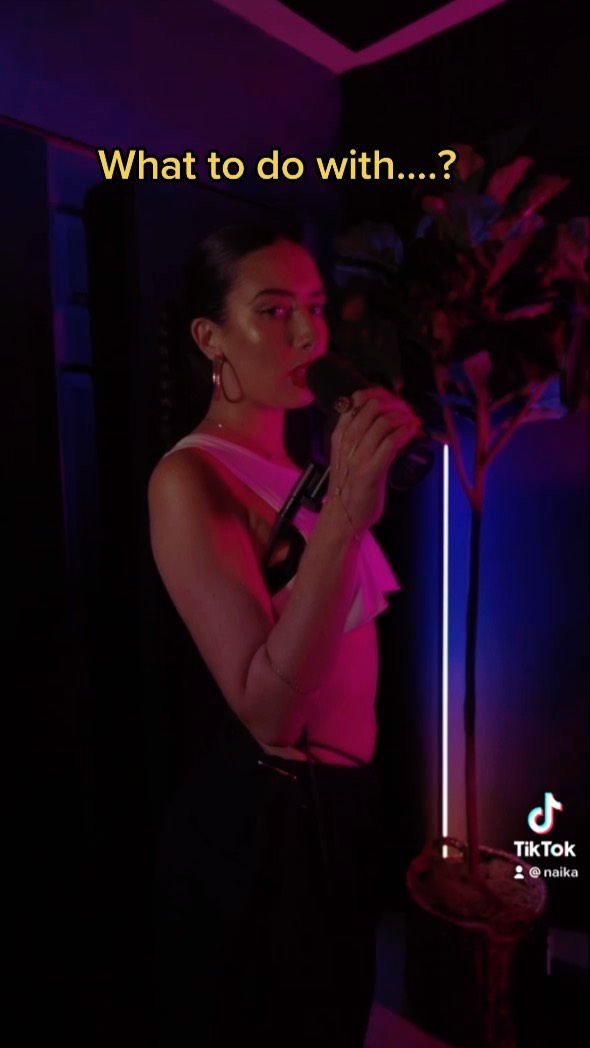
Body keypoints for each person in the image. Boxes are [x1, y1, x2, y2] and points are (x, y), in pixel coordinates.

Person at [148, 224, 422, 1047]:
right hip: (275, 824)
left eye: (315, 307)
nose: (309, 334)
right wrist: (345, 514)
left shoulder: (301, 463)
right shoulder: (189, 477)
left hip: (343, 809)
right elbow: (268, 709)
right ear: (211, 338)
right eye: (274, 311)